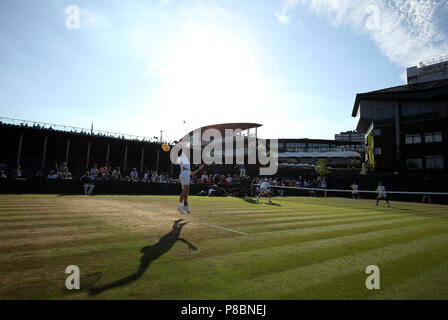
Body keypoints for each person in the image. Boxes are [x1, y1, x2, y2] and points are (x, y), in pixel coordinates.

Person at [175, 142, 204, 214]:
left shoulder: (187, 164)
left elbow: (193, 174)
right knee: (185, 191)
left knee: (186, 191)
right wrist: (179, 144)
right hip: (184, 175)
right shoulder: (183, 156)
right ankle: (180, 206)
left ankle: (185, 205)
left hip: (185, 175)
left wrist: (199, 169)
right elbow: (183, 149)